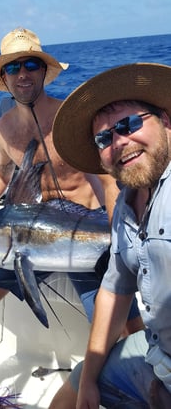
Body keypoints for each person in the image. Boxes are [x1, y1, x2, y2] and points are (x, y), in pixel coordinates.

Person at [0, 28, 142, 384]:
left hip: (85, 236)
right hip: (25, 236)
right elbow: (2, 176)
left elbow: (106, 176)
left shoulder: (71, 117)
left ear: (43, 72)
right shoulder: (3, 126)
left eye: (31, 64)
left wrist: (117, 238)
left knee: (124, 320)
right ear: (4, 78)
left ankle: (148, 383)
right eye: (14, 67)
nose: (23, 73)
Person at [50, 62, 171, 409]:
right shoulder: (125, 204)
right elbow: (114, 288)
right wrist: (89, 380)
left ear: (164, 121)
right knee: (67, 398)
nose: (119, 141)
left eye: (129, 124)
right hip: (157, 355)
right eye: (105, 137)